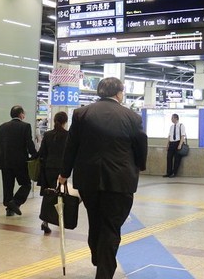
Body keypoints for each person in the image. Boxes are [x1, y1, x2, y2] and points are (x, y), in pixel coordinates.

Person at [59, 77, 148, 279]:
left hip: (88, 181)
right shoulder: (131, 117)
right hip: (120, 181)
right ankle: (104, 272)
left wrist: (64, 174)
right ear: (118, 93)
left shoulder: (82, 114)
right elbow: (140, 145)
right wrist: (140, 165)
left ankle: (98, 255)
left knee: (96, 220)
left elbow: (71, 146)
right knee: (111, 226)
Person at [0, 105, 38, 216]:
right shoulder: (25, 126)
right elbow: (29, 144)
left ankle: (9, 209)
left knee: (8, 186)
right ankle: (16, 202)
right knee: (26, 184)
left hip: (5, 162)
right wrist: (35, 155)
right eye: (24, 113)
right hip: (20, 163)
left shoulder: (3, 126)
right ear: (20, 114)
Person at [37, 111, 69, 234]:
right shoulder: (68, 135)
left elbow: (42, 153)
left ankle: (45, 221)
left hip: (48, 168)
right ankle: (59, 220)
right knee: (61, 195)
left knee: (48, 194)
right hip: (62, 170)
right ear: (65, 122)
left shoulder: (48, 135)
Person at [164, 113, 186, 178]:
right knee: (169, 158)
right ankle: (168, 172)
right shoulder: (171, 127)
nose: (171, 119)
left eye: (172, 118)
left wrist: (180, 144)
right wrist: (167, 144)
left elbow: (182, 136)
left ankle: (174, 173)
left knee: (177, 159)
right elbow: (169, 135)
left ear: (176, 118)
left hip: (177, 143)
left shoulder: (181, 126)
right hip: (171, 143)